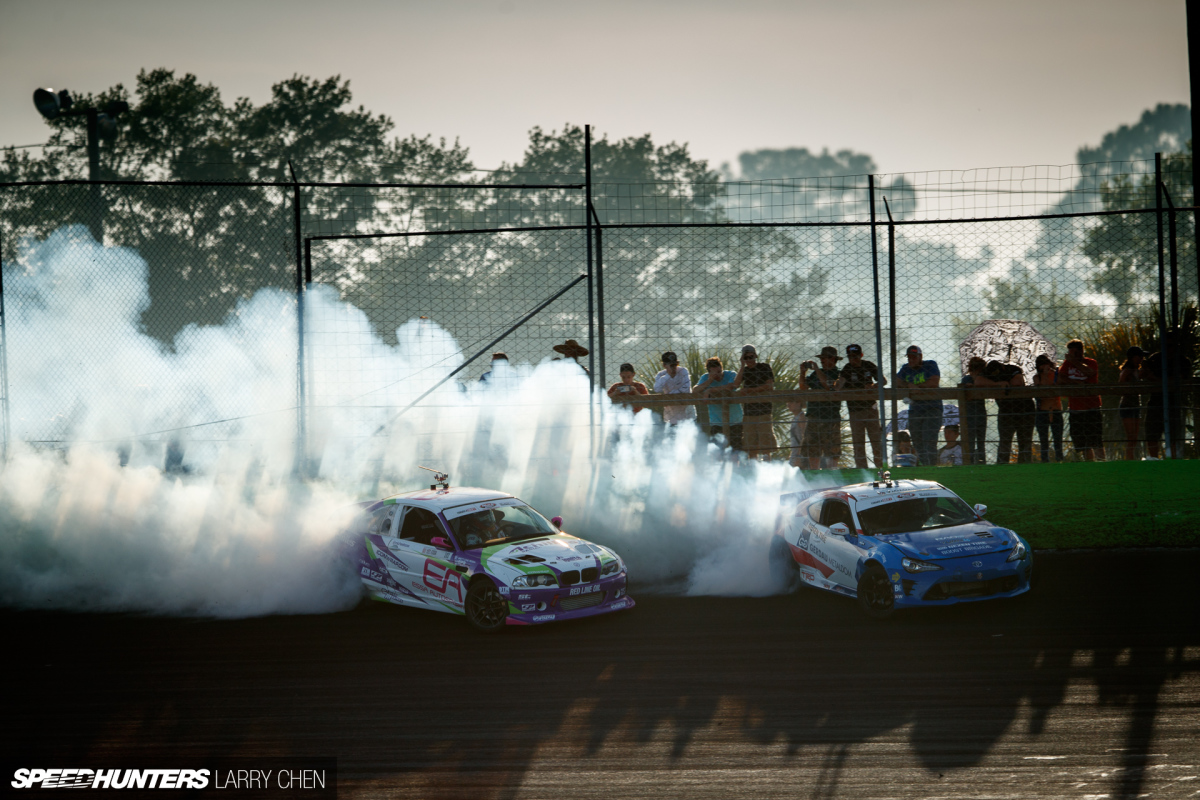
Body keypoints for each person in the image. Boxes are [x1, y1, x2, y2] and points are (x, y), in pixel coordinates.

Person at [974, 359, 1034, 464]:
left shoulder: (1013, 369)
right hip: (1006, 410)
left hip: (1024, 409)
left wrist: (1005, 383)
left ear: (1002, 368)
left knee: (1025, 441)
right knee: (1004, 441)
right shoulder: (988, 372)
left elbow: (1018, 381)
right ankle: (1002, 465)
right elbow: (978, 381)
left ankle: (1025, 466)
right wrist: (997, 384)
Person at [1143, 336, 1193, 459]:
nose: (1167, 349)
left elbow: (1179, 379)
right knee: (1152, 433)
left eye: (1170, 346)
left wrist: (1157, 380)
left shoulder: (1182, 361)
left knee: (1173, 433)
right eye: (1165, 346)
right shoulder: (1155, 359)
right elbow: (1145, 375)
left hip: (1173, 402)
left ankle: (1172, 458)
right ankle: (1154, 458)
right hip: (1155, 401)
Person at [839, 344, 886, 468]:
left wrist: (875, 386)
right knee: (858, 443)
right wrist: (839, 382)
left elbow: (883, 380)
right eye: (850, 357)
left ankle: (881, 468)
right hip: (855, 411)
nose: (852, 359)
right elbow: (838, 385)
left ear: (861, 355)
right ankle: (862, 470)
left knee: (876, 441)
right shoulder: (847, 368)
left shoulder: (868, 365)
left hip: (871, 408)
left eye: (855, 356)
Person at [895, 345, 943, 466]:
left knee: (929, 439)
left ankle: (931, 466)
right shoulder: (905, 368)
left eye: (914, 357)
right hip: (915, 409)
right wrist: (909, 386)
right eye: (909, 357)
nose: (911, 360)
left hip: (932, 408)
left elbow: (934, 382)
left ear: (920, 356)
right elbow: (896, 381)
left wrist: (918, 387)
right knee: (916, 439)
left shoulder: (930, 365)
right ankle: (923, 464)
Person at [799, 347, 844, 470]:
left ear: (833, 359)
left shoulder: (838, 374)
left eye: (825, 358)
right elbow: (803, 387)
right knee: (812, 447)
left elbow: (828, 385)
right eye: (821, 358)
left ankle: (832, 472)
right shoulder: (814, 375)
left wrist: (817, 369)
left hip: (830, 416)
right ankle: (815, 472)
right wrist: (802, 372)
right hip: (814, 415)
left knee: (832, 449)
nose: (822, 360)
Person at [1060, 339, 1103, 461]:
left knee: (1096, 439)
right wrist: (1075, 382)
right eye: (1070, 352)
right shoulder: (1067, 365)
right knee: (1082, 442)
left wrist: (1074, 362)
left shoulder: (1091, 362)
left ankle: (1102, 461)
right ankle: (1089, 462)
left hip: (1092, 407)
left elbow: (1089, 373)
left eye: (1074, 352)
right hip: (1075, 408)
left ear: (1081, 351)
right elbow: (1060, 379)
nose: (1071, 355)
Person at [731, 345, 776, 460]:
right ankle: (753, 469)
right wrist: (742, 366)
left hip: (764, 411)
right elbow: (735, 385)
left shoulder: (764, 367)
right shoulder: (744, 371)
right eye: (746, 358)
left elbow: (769, 385)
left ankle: (767, 467)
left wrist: (750, 390)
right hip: (749, 412)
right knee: (750, 445)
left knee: (766, 445)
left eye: (751, 357)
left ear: (755, 356)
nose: (749, 360)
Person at [694, 356, 743, 452]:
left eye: (719, 372)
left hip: (735, 420)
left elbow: (730, 386)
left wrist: (710, 390)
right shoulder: (705, 378)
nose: (719, 375)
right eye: (715, 373)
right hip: (716, 421)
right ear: (709, 372)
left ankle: (736, 466)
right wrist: (710, 380)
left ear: (722, 368)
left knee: (735, 450)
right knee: (717, 451)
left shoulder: (730, 374)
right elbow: (695, 390)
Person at [1033, 354, 1064, 463]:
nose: (1043, 367)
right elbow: (1042, 391)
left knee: (1058, 439)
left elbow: (1057, 386)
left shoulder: (1056, 374)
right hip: (1043, 411)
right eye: (1041, 365)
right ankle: (1045, 460)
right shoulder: (1037, 377)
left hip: (1056, 410)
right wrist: (1045, 375)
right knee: (1044, 440)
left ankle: (1059, 459)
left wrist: (1050, 373)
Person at [958, 357, 989, 465]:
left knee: (981, 442)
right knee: (970, 442)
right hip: (969, 415)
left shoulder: (983, 380)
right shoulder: (967, 379)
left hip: (980, 414)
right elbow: (969, 396)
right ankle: (969, 462)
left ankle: (981, 462)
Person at [1117, 346, 1146, 461]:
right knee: (1131, 436)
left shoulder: (1136, 370)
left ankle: (1131, 457)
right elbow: (1120, 384)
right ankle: (1129, 458)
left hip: (1136, 405)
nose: (1142, 359)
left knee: (1134, 436)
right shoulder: (1127, 370)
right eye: (1140, 356)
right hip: (1127, 405)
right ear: (1133, 357)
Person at [653, 351, 695, 425]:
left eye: (675, 364)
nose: (674, 367)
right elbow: (657, 389)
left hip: (687, 415)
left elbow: (686, 388)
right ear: (664, 365)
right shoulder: (661, 375)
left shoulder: (683, 371)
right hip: (671, 416)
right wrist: (668, 375)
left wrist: (671, 393)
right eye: (671, 365)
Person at [786, 377, 808, 468]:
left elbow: (804, 436)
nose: (788, 405)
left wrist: (799, 455)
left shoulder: (801, 417)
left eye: (791, 402)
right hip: (795, 453)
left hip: (800, 454)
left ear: (799, 403)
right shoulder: (795, 418)